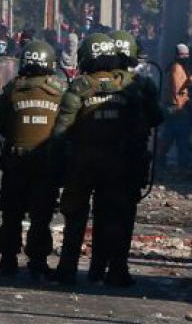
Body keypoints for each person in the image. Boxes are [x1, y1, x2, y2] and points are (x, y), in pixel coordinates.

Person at [51, 33, 162, 286]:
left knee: (75, 216)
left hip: (82, 161)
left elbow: (61, 132)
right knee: (116, 215)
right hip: (121, 162)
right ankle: (115, 270)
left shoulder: (79, 86)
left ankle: (67, 269)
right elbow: (157, 118)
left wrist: (56, 166)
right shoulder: (136, 85)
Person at [0, 41, 65, 280]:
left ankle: (7, 259)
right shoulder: (60, 90)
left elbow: (1, 124)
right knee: (41, 215)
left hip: (15, 163)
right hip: (47, 164)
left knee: (12, 213)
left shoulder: (12, 89)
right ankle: (38, 261)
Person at [161, 43, 191, 168]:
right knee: (179, 136)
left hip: (176, 107)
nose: (185, 57)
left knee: (173, 136)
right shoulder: (176, 68)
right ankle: (178, 164)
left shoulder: (179, 67)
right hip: (176, 108)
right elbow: (177, 89)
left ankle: (164, 161)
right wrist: (182, 107)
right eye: (183, 55)